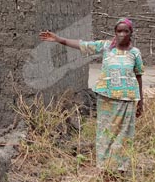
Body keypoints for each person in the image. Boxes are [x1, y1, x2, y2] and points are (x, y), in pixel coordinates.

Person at [39, 18, 144, 173]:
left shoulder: (135, 53)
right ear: (115, 33)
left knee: (124, 133)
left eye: (125, 31)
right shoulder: (107, 46)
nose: (122, 34)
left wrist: (141, 101)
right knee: (105, 131)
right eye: (119, 31)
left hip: (127, 100)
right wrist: (58, 39)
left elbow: (139, 75)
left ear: (131, 33)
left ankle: (120, 168)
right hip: (107, 98)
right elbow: (83, 45)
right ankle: (104, 167)